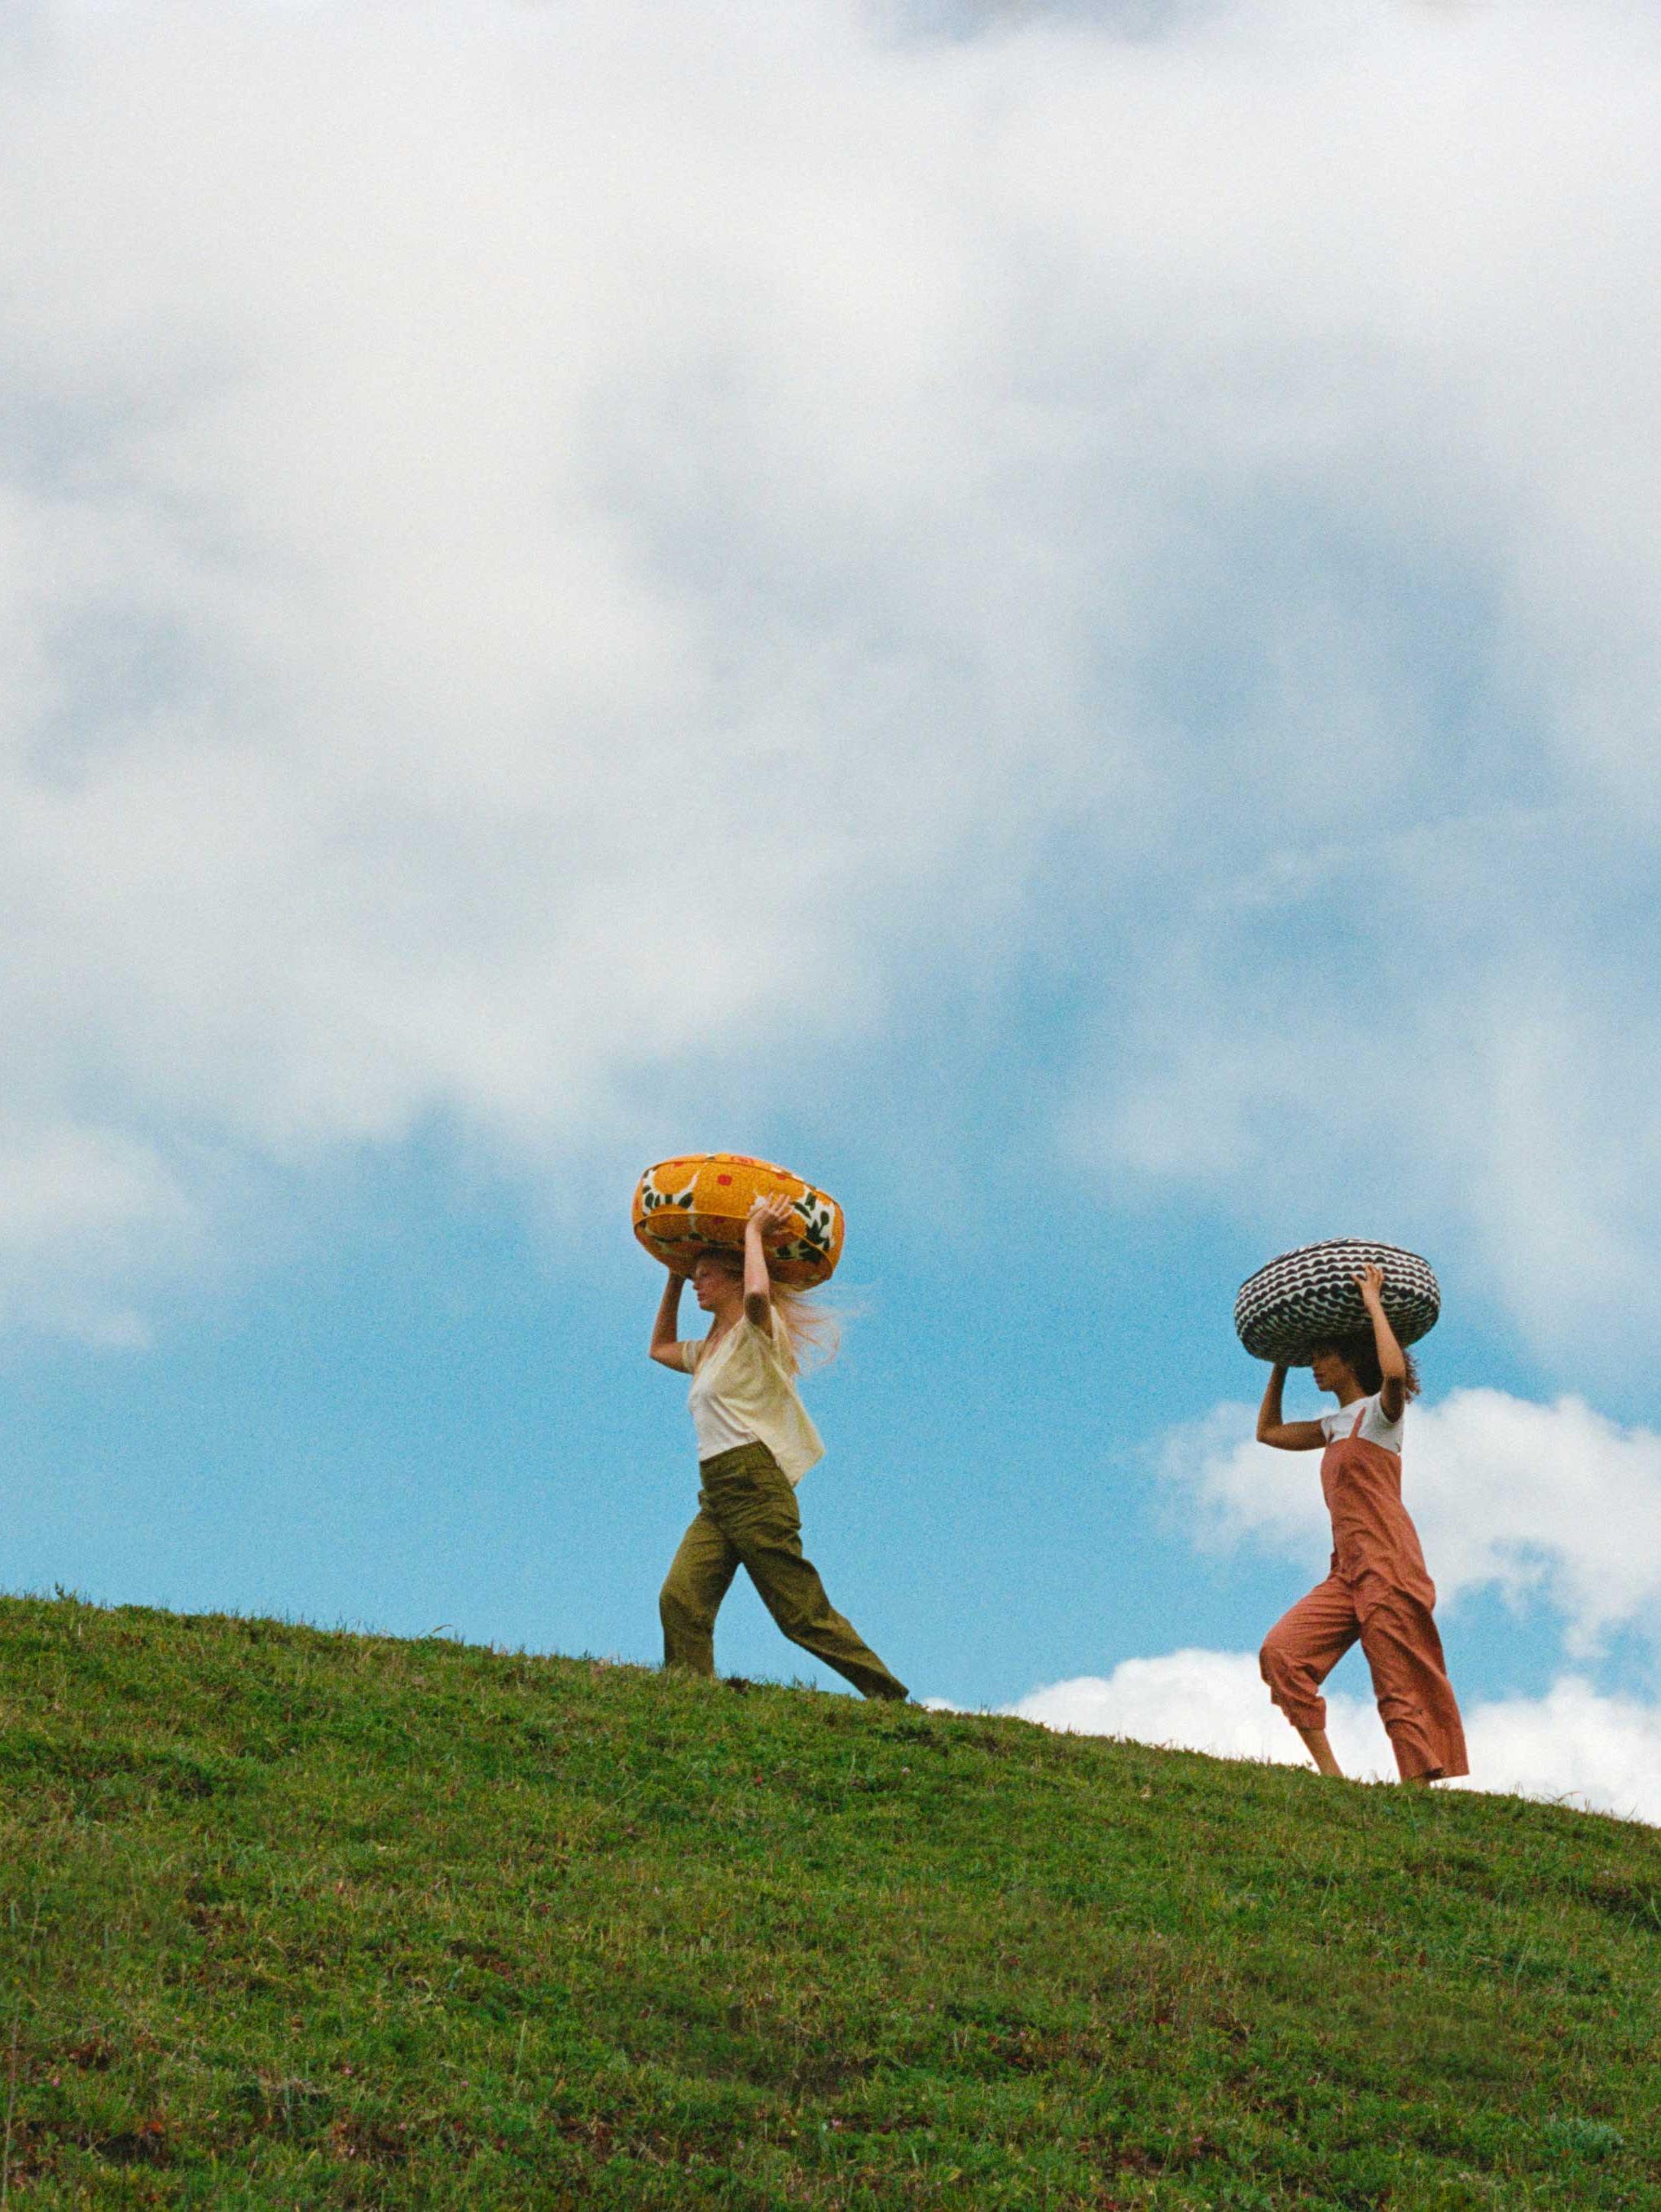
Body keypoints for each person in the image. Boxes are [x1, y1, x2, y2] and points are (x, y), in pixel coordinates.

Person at [649, 1193, 908, 1701]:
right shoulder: (708, 1351)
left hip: (755, 1485)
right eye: (694, 1274)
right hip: (717, 1492)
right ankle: (691, 1697)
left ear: (733, 1277)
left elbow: (756, 1299)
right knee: (680, 1599)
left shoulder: (755, 1333)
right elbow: (658, 1348)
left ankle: (888, 1695)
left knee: (799, 1615)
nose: (699, 1281)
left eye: (705, 1274)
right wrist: (673, 1277)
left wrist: (752, 1234)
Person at [1255, 1264, 1467, 1784]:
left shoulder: (1381, 1415)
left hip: (1389, 1564)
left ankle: (1418, 1793)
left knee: (1397, 1682)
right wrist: (1279, 1362)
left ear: (1351, 1360)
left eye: (1322, 1356)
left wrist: (1373, 1301)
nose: (1315, 1366)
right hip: (1347, 1572)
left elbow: (1394, 1374)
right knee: (1281, 1654)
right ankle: (1331, 1777)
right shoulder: (1332, 1426)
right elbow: (1268, 1432)